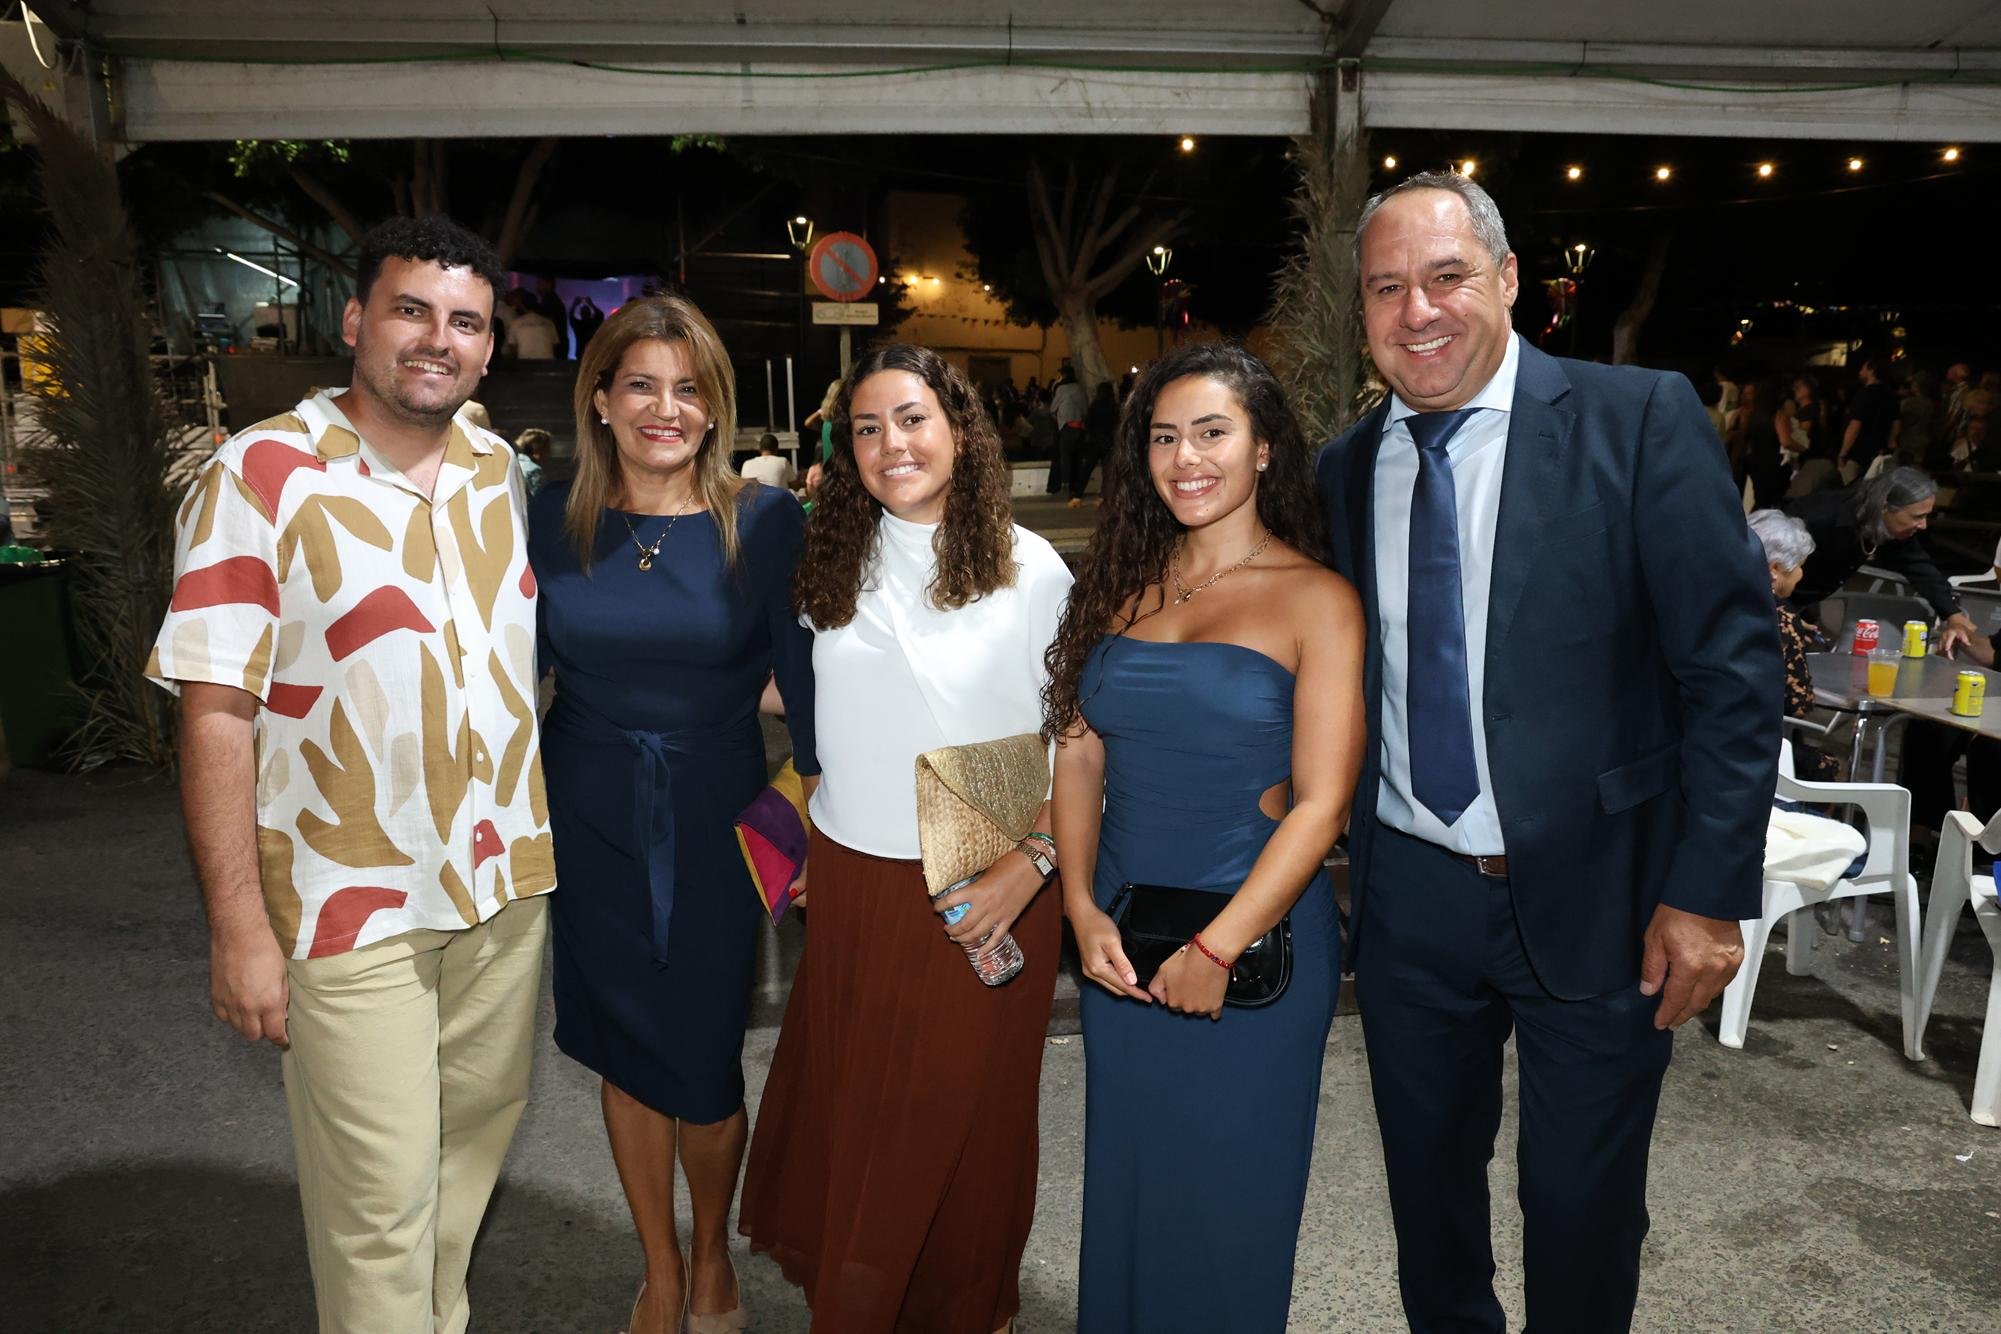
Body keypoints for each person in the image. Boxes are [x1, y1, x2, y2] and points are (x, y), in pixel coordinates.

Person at [1316, 170, 1781, 1332]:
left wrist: (1707, 893)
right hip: (1411, 898)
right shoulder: (1342, 470)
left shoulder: (1638, 418)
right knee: (1429, 1195)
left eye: (1446, 276)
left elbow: (1731, 669)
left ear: (1511, 280)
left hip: (1610, 895)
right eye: (1387, 288)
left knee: (1578, 1204)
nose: (1417, 310)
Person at [149, 215, 554, 1333]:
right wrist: (238, 926)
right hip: (345, 902)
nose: (438, 338)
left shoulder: (497, 470)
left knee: (463, 1168)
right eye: (411, 309)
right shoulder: (261, 472)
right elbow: (216, 706)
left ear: (487, 346)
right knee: (379, 1202)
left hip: (503, 888)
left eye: (464, 320)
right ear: (355, 320)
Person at [740, 343, 1073, 1334]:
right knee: (861, 1115)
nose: (893, 443)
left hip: (992, 877)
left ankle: (971, 1309)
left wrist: (1034, 862)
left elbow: (1083, 743)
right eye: (870, 426)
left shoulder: (1032, 568)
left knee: (964, 1120)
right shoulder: (827, 562)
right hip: (851, 883)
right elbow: (799, 704)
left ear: (963, 429)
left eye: (915, 417)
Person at [1044, 342, 1364, 1332]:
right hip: (1123, 938)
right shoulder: (1115, 584)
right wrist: (1080, 906)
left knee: (1232, 1202)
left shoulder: (1319, 598)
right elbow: (1082, 753)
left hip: (1256, 946)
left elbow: (1323, 804)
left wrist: (1219, 943)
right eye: (1165, 436)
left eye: (1213, 432)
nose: (1186, 457)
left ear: (1264, 447)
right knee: (1133, 1187)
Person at [529, 293, 817, 1334]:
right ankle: (660, 1263)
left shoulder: (768, 519)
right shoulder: (547, 513)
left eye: (689, 389)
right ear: (600, 398)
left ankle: (712, 1249)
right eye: (641, 384)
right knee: (623, 1042)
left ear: (714, 407)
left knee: (702, 1056)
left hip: (716, 813)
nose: (666, 407)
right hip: (588, 808)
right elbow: (511, 671)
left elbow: (809, 683)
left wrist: (818, 809)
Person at [1785, 468, 1977, 653]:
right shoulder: (1821, 518)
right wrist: (1782, 615)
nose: (1923, 525)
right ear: (1884, 506)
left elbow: (1919, 567)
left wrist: (1953, 614)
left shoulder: (1887, 526)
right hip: (1773, 598)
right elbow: (1768, 570)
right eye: (1918, 516)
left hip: (1803, 603)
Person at [1749, 509, 1839, 782]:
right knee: (1828, 766)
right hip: (1756, 743)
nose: (1801, 574)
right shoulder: (1781, 618)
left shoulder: (1725, 600)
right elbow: (1797, 703)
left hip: (1701, 730)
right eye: (1800, 565)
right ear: (1775, 568)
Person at [1838, 357, 1897, 483]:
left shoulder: (1864, 394)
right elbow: (1896, 424)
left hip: (1857, 453)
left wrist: (1843, 453)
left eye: (1862, 369)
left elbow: (1855, 425)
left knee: (1851, 490)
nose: (1859, 372)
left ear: (1871, 371)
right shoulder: (1891, 395)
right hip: (1878, 452)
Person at [1070, 378, 1117, 507]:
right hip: (1109, 443)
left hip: (1094, 442)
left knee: (1086, 469)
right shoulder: (1114, 407)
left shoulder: (1094, 406)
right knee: (1107, 472)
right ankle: (1103, 497)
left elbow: (1087, 424)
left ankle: (1077, 496)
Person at [1049, 364, 1089, 497]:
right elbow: (1085, 409)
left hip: (1067, 427)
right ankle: (1075, 486)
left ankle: (1065, 484)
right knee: (1077, 458)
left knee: (1065, 458)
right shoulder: (1080, 388)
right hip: (1080, 427)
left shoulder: (1061, 388)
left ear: (1064, 375)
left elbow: (1053, 408)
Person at [501, 289, 559, 360]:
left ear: (522, 304)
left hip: (525, 365)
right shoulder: (549, 323)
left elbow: (513, 347)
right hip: (548, 365)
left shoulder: (516, 323)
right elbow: (555, 345)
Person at [533, 275, 572, 357]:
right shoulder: (552, 300)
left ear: (548, 284)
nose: (537, 287)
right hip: (558, 344)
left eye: (539, 283)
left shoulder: (550, 301)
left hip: (556, 345)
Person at [514, 426, 551, 497]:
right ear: (538, 449)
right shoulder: (533, 470)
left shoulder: (515, 463)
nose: (549, 453)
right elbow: (541, 497)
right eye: (547, 448)